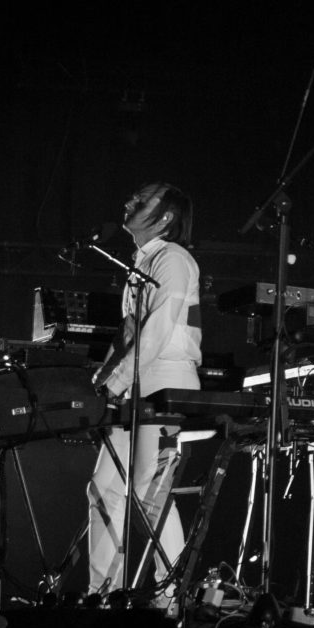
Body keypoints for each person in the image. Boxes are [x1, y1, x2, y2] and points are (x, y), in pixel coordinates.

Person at [81, 181, 202, 597]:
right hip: (136, 383)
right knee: (104, 489)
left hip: (165, 382)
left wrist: (115, 382)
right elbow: (131, 331)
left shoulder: (173, 259)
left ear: (165, 217)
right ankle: (101, 595)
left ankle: (170, 598)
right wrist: (103, 379)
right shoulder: (142, 263)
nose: (130, 201)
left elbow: (158, 329)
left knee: (149, 493)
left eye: (142, 200)